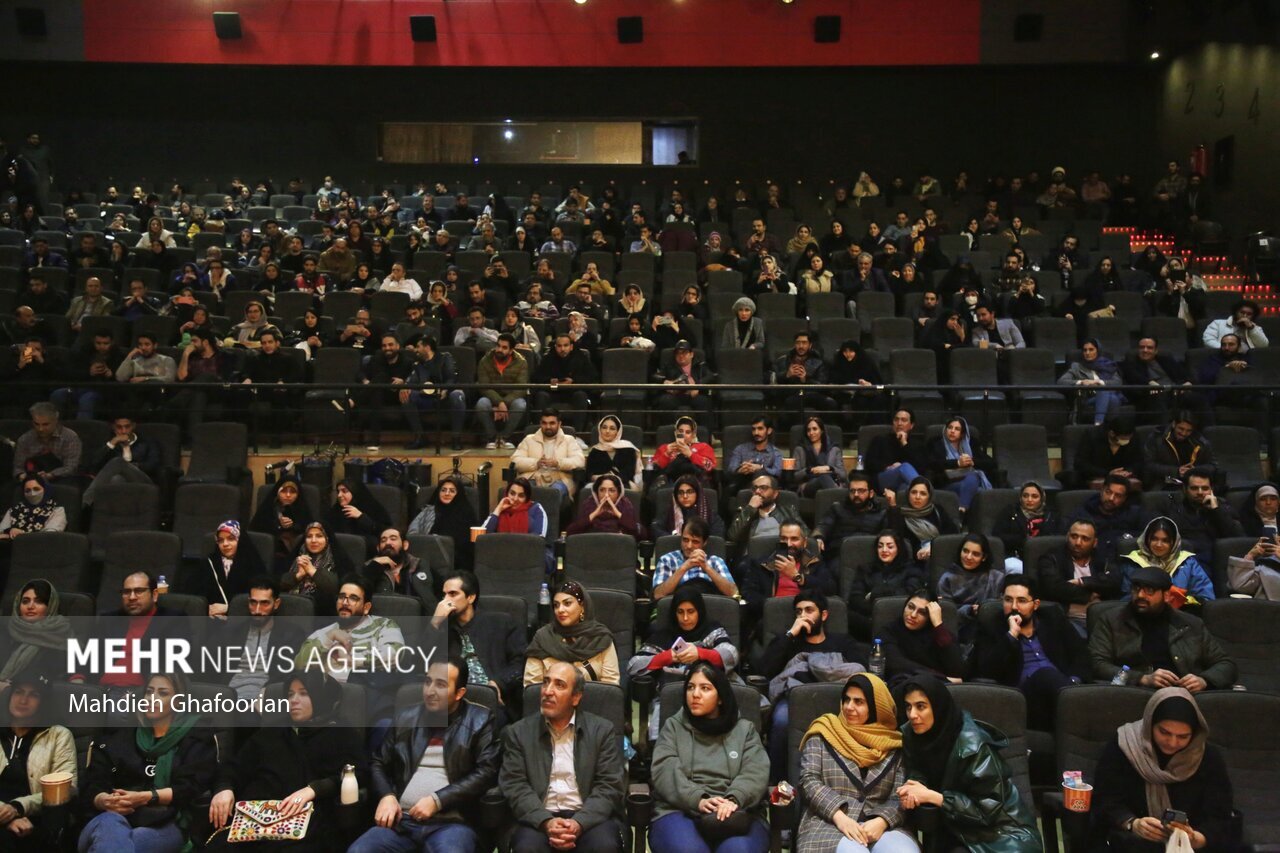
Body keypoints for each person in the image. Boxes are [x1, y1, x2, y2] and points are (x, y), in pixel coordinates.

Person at [350, 658, 500, 853]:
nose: (430, 691)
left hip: (451, 823)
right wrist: (387, 795)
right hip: (400, 821)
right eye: (428, 682)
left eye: (441, 685)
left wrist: (438, 800)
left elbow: (487, 771)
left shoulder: (480, 720)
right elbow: (378, 761)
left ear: (459, 693)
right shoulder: (406, 717)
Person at [209, 670, 365, 852]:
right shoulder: (272, 731)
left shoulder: (341, 733)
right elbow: (235, 767)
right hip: (254, 820)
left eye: (304, 693)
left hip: (309, 820)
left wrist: (314, 789)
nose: (294, 700)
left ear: (322, 697)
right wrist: (224, 788)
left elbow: (358, 773)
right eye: (290, 694)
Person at [895, 676, 1043, 851]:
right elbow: (920, 770)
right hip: (957, 828)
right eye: (908, 706)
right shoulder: (914, 736)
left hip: (1002, 833)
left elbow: (987, 809)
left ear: (938, 707)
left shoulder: (974, 745)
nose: (912, 715)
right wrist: (914, 789)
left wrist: (932, 796)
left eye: (921, 706)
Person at [78, 671, 218, 853]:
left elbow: (191, 787)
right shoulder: (120, 737)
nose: (152, 698)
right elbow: (91, 783)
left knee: (118, 843)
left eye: (163, 693)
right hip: (107, 818)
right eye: (149, 692)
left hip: (164, 824)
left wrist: (145, 797)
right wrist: (103, 800)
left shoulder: (195, 738)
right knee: (111, 827)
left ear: (178, 701)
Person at [500, 661, 625, 853]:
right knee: (526, 848)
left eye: (559, 685)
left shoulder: (602, 730)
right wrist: (546, 822)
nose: (548, 691)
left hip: (588, 816)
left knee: (604, 846)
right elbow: (515, 785)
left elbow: (609, 786)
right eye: (546, 682)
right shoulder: (518, 732)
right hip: (539, 816)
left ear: (576, 698)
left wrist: (579, 823)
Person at [1090, 688, 1234, 851]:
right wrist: (1132, 823)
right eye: (1164, 732)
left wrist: (1197, 838)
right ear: (1150, 724)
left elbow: (1219, 815)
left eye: (1183, 737)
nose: (1172, 743)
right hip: (1131, 842)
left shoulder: (1207, 756)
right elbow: (1105, 799)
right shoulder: (1124, 746)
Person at [650, 663, 770, 853]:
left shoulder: (744, 730)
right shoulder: (673, 727)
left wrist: (734, 798)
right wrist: (698, 799)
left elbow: (756, 771)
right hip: (679, 810)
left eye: (705, 688)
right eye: (690, 687)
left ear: (720, 697)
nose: (695, 694)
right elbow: (665, 770)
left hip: (736, 811)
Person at [796, 673, 917, 853]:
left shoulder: (895, 744)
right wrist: (839, 817)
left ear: (876, 707)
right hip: (828, 824)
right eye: (846, 700)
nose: (849, 707)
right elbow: (808, 780)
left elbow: (899, 795)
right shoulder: (823, 733)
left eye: (859, 702)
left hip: (881, 825)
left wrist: (882, 821)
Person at [758, 591, 866, 782]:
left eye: (809, 610)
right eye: (799, 612)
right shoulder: (789, 642)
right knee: (781, 720)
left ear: (823, 615)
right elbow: (767, 671)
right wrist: (790, 634)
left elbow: (859, 671)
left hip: (836, 697)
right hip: (794, 698)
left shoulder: (842, 642)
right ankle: (778, 785)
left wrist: (814, 670)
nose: (803, 616)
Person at [1089, 564, 1236, 690]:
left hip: (1182, 694)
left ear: (1166, 595)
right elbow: (1096, 663)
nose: (1140, 595)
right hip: (1133, 693)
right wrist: (1142, 679)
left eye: (1149, 590)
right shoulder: (1111, 620)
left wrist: (1204, 680)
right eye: (1136, 589)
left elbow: (1226, 665)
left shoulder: (1191, 624)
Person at [969, 576, 1086, 730]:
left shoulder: (1053, 618)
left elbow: (1081, 654)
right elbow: (987, 669)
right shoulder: (991, 627)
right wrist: (1011, 636)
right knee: (1047, 674)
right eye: (1008, 600)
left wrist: (1074, 681)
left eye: (1022, 601)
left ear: (1035, 604)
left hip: (1062, 690)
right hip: (1024, 697)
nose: (1014, 607)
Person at [629, 587, 740, 738]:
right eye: (680, 612)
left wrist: (700, 653)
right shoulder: (663, 636)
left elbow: (731, 655)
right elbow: (634, 666)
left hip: (710, 701)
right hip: (669, 698)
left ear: (699, 611)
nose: (685, 618)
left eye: (691, 611)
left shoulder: (712, 630)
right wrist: (668, 657)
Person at [0, 667, 77, 849]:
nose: (23, 700)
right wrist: (5, 818)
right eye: (18, 692)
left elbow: (66, 789)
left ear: (43, 702)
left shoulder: (58, 735)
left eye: (33, 695)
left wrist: (18, 808)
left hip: (37, 820)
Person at [429, 571, 526, 712]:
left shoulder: (501, 623)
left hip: (490, 699)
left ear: (471, 597)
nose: (445, 601)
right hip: (451, 701)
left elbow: (521, 662)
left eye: (453, 594)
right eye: (444, 595)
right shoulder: (441, 629)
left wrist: (499, 683)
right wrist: (435, 622)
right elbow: (420, 662)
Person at [523, 582, 620, 687]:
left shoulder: (600, 637)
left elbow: (610, 687)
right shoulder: (543, 637)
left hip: (593, 701)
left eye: (567, 603)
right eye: (556, 605)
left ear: (582, 606)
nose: (560, 610)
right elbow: (532, 687)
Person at [1035, 519, 1122, 632]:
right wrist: (1090, 594)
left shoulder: (1104, 558)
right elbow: (1052, 587)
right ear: (1067, 536)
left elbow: (1115, 580)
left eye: (1085, 539)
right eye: (1074, 536)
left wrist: (1082, 581)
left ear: (1095, 542)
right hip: (1068, 620)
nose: (1078, 543)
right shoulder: (1051, 558)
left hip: (1103, 619)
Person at [1119, 517, 1216, 611]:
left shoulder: (1188, 563)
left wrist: (1184, 600)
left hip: (1180, 617)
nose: (1159, 544)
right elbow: (1125, 600)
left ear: (1174, 543)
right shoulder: (1134, 562)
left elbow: (1206, 597)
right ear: (1146, 539)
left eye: (1165, 540)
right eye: (1154, 539)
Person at [847, 532, 928, 641]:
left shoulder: (911, 569)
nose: (884, 550)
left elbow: (909, 594)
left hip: (900, 617)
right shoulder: (865, 569)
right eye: (880, 546)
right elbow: (855, 598)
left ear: (898, 549)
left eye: (890, 546)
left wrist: (874, 595)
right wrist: (877, 611)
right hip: (869, 619)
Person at [880, 593, 965, 689]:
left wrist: (938, 625)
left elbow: (957, 671)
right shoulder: (890, 630)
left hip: (936, 690)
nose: (913, 615)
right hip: (901, 687)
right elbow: (895, 664)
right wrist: (942, 678)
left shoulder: (941, 634)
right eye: (910, 607)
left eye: (922, 612)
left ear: (930, 616)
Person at [936, 534, 1004, 643]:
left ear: (984, 557)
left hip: (990, 632)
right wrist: (969, 610)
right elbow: (946, 615)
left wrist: (985, 611)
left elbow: (1001, 610)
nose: (968, 557)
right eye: (965, 551)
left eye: (975, 554)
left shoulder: (996, 578)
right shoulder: (947, 579)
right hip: (958, 634)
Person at [652, 518, 738, 600]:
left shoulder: (716, 561)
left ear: (704, 542)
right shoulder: (667, 560)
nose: (689, 546)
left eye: (695, 541)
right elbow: (658, 594)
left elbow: (734, 593)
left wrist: (706, 567)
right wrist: (684, 567)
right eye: (685, 540)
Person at [196, 520, 267, 620]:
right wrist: (205, 609)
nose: (225, 544)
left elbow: (262, 600)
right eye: (220, 540)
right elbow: (194, 597)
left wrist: (229, 609)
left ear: (240, 540)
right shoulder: (208, 563)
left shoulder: (253, 564)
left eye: (231, 539)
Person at [279, 522, 354, 616]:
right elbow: (277, 584)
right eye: (309, 536)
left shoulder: (338, 558)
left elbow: (339, 588)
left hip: (321, 614)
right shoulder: (297, 555)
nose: (313, 540)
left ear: (327, 538)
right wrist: (298, 575)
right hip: (288, 609)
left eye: (319, 536)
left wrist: (312, 571)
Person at [1070, 473, 1149, 562]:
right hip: (1092, 563)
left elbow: (1149, 535)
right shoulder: (1083, 513)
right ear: (1102, 490)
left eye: (1118, 496)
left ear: (1125, 498)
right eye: (1108, 492)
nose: (1111, 498)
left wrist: (1125, 537)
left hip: (1125, 561)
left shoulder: (1135, 513)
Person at [481, 478, 553, 573]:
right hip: (502, 555)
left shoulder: (536, 509)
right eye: (512, 493)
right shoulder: (501, 509)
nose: (515, 499)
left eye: (521, 495)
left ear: (527, 497)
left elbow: (538, 541)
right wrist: (498, 509)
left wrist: (514, 549)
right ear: (507, 493)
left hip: (528, 555)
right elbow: (482, 536)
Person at [408, 476, 478, 574]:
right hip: (426, 558)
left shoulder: (467, 514)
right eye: (443, 490)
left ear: (459, 494)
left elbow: (469, 547)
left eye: (452, 491)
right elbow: (412, 534)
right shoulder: (428, 511)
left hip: (456, 564)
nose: (447, 493)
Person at [727, 474, 805, 563]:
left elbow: (805, 534)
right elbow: (733, 536)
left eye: (763, 488)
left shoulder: (788, 512)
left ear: (775, 494)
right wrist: (750, 509)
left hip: (784, 557)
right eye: (754, 488)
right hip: (753, 560)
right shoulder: (745, 511)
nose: (757, 491)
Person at [814, 473, 890, 562]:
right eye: (852, 491)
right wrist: (818, 537)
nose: (856, 494)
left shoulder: (881, 512)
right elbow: (823, 525)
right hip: (839, 556)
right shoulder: (838, 508)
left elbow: (890, 536)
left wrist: (893, 506)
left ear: (871, 493)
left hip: (870, 556)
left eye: (861, 491)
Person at [511, 409, 585, 499]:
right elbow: (515, 461)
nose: (548, 426)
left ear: (559, 424)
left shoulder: (569, 440)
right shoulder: (529, 439)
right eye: (544, 423)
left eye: (552, 423)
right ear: (540, 423)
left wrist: (558, 463)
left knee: (553, 493)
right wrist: (536, 463)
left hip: (560, 479)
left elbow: (579, 461)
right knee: (527, 491)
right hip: (533, 478)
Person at [992, 482, 1063, 573]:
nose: (1029, 499)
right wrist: (1023, 540)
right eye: (1025, 496)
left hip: (1045, 557)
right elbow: (997, 535)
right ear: (1021, 498)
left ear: (1041, 498)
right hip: (1015, 556)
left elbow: (1058, 538)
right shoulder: (1010, 511)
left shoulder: (1051, 515)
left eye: (1034, 496)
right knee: (1015, 568)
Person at [885, 477, 959, 565]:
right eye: (913, 492)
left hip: (941, 557)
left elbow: (952, 535)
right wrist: (893, 505)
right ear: (908, 494)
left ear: (929, 497)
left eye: (923, 494)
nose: (917, 497)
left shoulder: (937, 511)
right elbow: (896, 538)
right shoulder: (899, 514)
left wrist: (933, 547)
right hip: (914, 562)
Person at [248, 474, 314, 572]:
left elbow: (310, 529)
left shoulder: (302, 508)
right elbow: (256, 531)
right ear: (277, 492)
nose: (288, 495)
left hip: (296, 559)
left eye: (292, 492)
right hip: (269, 556)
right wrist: (278, 525)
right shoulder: (268, 508)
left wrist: (293, 526)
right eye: (284, 491)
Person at [927, 417, 993, 513]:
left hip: (968, 483)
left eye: (957, 429)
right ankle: (964, 510)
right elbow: (932, 464)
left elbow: (992, 463)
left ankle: (962, 510)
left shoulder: (971, 445)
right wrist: (957, 463)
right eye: (950, 428)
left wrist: (972, 462)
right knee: (976, 488)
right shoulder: (936, 444)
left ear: (962, 434)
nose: (952, 431)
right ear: (945, 430)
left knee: (973, 478)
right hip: (946, 483)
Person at [474, 334, 529, 450]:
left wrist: (504, 403)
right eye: (498, 346)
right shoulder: (485, 360)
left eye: (504, 348)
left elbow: (521, 388)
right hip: (490, 397)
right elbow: (484, 386)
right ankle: (492, 438)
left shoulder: (521, 362)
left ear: (511, 350)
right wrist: (499, 402)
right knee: (482, 404)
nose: (499, 350)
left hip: (511, 398)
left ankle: (505, 438)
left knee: (520, 404)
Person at [1058, 338, 1125, 426]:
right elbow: (1061, 382)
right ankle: (1101, 425)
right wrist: (1081, 382)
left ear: (1098, 351)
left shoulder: (1108, 365)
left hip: (1109, 396)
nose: (1087, 353)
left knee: (1112, 398)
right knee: (1106, 392)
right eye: (1085, 350)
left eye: (1091, 349)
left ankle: (1103, 426)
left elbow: (1118, 382)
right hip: (1087, 398)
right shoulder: (1077, 367)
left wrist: (1099, 382)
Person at [862, 409, 929, 494]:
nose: (899, 423)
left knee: (905, 488)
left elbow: (921, 468)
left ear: (911, 425)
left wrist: (904, 444)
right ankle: (926, 493)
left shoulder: (918, 445)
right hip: (883, 480)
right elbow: (870, 463)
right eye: (896, 419)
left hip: (906, 482)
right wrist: (888, 467)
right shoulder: (880, 440)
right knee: (904, 467)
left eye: (903, 420)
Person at [1070, 415, 1144, 491]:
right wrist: (1108, 473)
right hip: (1098, 475)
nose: (1127, 441)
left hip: (1124, 477)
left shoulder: (1133, 436)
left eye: (1129, 438)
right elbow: (1080, 463)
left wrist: (1128, 471)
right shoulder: (1091, 436)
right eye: (1123, 439)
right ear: (1112, 433)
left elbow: (1139, 461)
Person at [12, 403, 80, 484]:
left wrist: (50, 475)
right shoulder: (25, 439)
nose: (40, 429)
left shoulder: (70, 437)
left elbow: (71, 467)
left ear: (55, 420)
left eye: (45, 424)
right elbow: (18, 467)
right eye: (36, 424)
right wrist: (21, 475)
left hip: (62, 480)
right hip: (31, 481)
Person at [564, 474, 643, 540]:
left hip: (619, 552)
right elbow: (570, 532)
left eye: (612, 490)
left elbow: (641, 534)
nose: (606, 495)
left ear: (619, 493)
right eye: (602, 490)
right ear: (596, 492)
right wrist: (594, 514)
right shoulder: (589, 505)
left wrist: (618, 514)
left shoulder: (625, 506)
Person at [652, 417, 717, 490]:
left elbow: (710, 467)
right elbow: (653, 468)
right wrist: (666, 454)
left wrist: (691, 455)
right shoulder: (665, 448)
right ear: (676, 433)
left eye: (688, 432)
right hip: (670, 483)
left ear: (693, 435)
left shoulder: (703, 447)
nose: (684, 435)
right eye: (680, 431)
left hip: (696, 482)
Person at [653, 475, 726, 540]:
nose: (685, 496)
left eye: (690, 492)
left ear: (698, 494)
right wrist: (677, 540)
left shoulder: (709, 514)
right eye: (681, 493)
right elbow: (656, 529)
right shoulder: (669, 512)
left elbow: (717, 536)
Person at [724, 417, 783, 497]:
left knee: (760, 474)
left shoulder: (776, 452)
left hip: (764, 490)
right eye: (754, 429)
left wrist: (760, 468)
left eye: (760, 429)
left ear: (769, 431)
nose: (756, 432)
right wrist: (741, 469)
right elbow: (731, 468)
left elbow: (777, 472)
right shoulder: (741, 449)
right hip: (741, 484)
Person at [0, 475, 66, 542]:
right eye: (27, 490)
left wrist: (21, 535)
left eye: (36, 489)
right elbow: (1, 531)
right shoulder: (14, 510)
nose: (32, 493)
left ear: (45, 490)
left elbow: (49, 537)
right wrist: (10, 531)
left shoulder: (57, 510)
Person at [793, 415, 847, 497]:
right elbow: (795, 476)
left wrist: (829, 468)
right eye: (808, 430)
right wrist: (810, 470)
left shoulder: (834, 449)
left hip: (831, 482)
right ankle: (837, 498)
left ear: (821, 431)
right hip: (809, 486)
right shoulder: (799, 449)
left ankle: (834, 498)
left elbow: (843, 475)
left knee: (825, 478)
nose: (811, 433)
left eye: (815, 429)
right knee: (824, 477)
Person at [585, 416, 643, 490]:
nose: (607, 431)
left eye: (612, 428)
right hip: (599, 485)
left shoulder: (628, 449)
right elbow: (589, 474)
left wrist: (611, 479)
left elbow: (629, 473)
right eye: (604, 427)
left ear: (618, 432)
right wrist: (595, 477)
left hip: (623, 483)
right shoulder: (594, 451)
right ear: (600, 430)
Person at [1202, 298, 1268, 352]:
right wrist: (1228, 349)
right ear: (1235, 312)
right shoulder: (1218, 323)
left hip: (1247, 359)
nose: (1245, 316)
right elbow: (1208, 341)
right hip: (1224, 356)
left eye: (1249, 314)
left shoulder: (1255, 328)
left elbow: (1263, 346)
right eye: (1242, 312)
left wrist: (1251, 328)